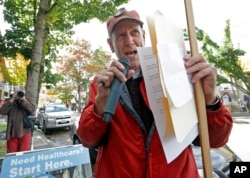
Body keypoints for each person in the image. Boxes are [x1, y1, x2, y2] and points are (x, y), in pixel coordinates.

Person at [77, 8, 233, 178]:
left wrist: (209, 99)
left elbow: (216, 139)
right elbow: (87, 139)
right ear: (110, 44)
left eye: (134, 32)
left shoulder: (175, 74)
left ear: (143, 36)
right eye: (121, 36)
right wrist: (100, 105)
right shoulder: (101, 85)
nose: (130, 41)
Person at [0, 87, 36, 153]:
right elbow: (2, 111)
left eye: (21, 91)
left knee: (23, 154)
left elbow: (32, 110)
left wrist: (24, 100)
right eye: (17, 91)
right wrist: (12, 99)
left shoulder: (29, 100)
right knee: (11, 154)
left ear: (24, 92)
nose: (19, 93)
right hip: (12, 132)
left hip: (25, 131)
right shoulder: (11, 101)